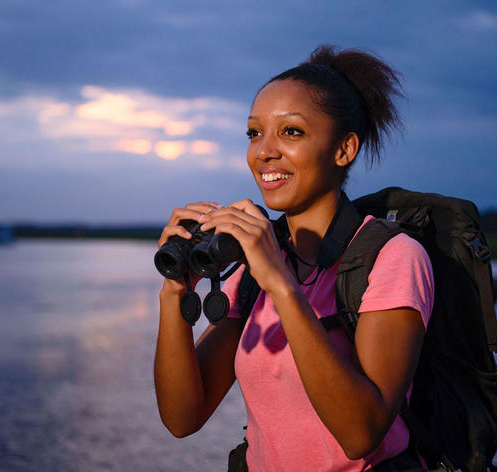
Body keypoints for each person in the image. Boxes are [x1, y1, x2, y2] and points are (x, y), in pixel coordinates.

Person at [154, 45, 434, 471]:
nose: (264, 151)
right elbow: (182, 418)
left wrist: (282, 285)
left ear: (344, 150)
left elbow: (361, 434)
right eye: (254, 133)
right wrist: (174, 293)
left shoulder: (393, 259)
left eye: (292, 132)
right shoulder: (253, 271)